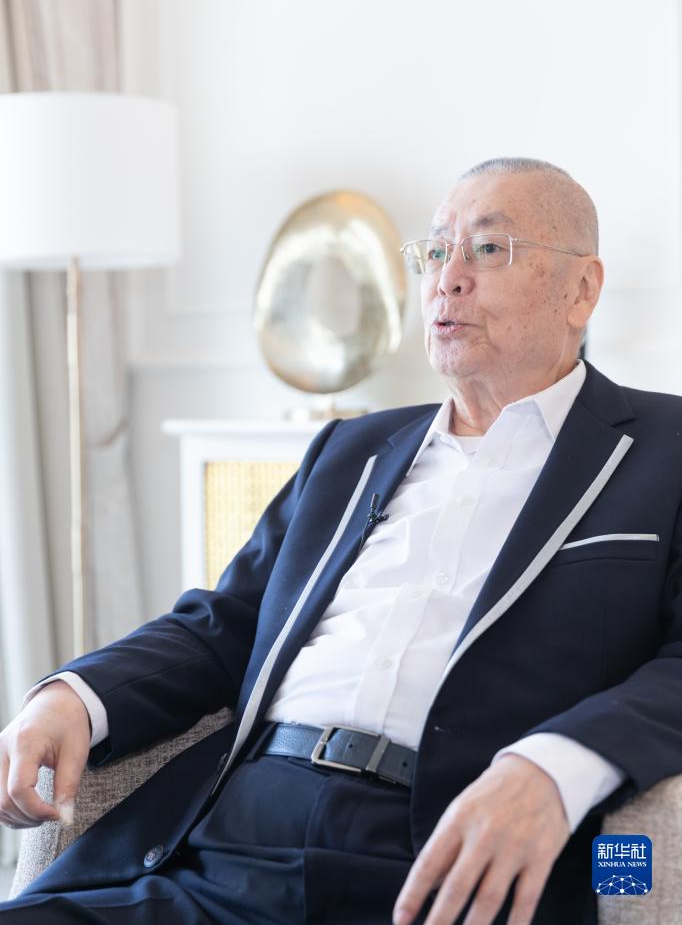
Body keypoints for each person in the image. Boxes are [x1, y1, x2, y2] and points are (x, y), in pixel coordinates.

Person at [1, 156, 681, 925]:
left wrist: (552, 765)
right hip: (230, 844)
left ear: (582, 288)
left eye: (489, 249)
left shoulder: (663, 450)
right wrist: (73, 696)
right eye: (436, 250)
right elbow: (226, 623)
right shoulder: (351, 449)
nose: (448, 279)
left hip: (440, 859)